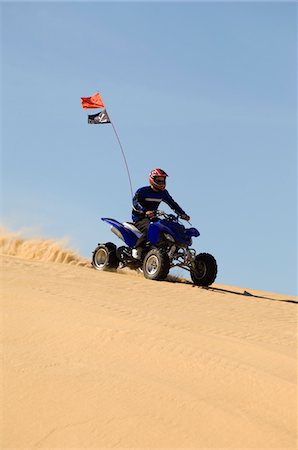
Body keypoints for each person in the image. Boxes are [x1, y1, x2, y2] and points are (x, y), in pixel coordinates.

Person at [131, 168, 190, 259]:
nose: (161, 182)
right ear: (152, 180)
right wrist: (145, 211)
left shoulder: (163, 193)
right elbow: (135, 203)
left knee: (167, 227)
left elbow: (173, 204)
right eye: (159, 180)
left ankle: (165, 249)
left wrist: (183, 214)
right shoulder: (142, 191)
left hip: (153, 217)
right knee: (151, 228)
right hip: (140, 218)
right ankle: (137, 248)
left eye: (163, 180)